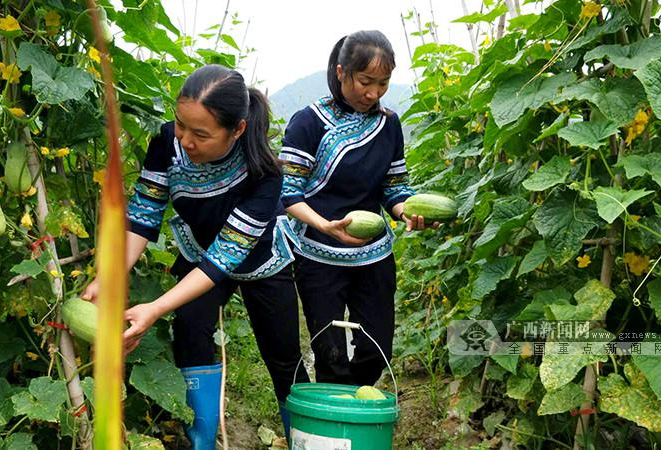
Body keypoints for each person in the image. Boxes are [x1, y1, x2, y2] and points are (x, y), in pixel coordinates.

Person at [82, 64, 308, 448]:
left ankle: (302, 439)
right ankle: (201, 440)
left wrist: (153, 308)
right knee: (190, 329)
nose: (185, 140)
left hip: (259, 261)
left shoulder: (265, 174)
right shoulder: (167, 143)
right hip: (197, 249)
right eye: (181, 125)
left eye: (200, 134)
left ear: (236, 130)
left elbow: (225, 258)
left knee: (283, 355)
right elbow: (143, 217)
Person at [280, 31, 438, 387]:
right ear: (341, 72)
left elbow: (394, 187)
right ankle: (336, 424)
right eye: (365, 81)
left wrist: (405, 213)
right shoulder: (308, 122)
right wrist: (325, 225)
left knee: (377, 349)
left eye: (383, 83)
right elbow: (289, 195)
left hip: (373, 256)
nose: (373, 93)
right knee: (330, 351)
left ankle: (355, 400)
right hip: (319, 256)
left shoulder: (388, 124)